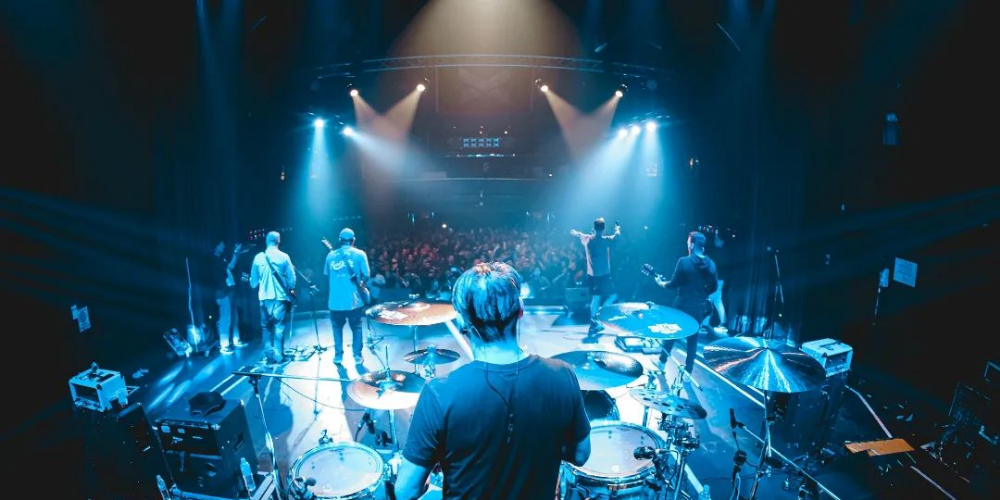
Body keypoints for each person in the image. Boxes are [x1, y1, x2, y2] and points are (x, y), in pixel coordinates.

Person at [394, 262, 592, 500]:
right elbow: (581, 454)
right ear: (520, 310)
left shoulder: (439, 393)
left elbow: (405, 492)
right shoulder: (562, 375)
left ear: (462, 321)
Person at [655, 231, 719, 376]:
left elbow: (673, 284)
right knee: (692, 341)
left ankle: (661, 363)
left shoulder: (684, 261)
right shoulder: (712, 265)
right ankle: (688, 372)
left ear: (692, 244)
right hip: (698, 307)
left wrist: (661, 283)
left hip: (682, 305)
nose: (687, 245)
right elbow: (714, 287)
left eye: (688, 242)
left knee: (672, 334)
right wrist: (703, 293)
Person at [324, 227, 370, 364]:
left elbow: (326, 275)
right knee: (356, 327)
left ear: (340, 240)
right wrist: (361, 284)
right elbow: (366, 275)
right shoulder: (360, 254)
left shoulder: (330, 256)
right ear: (353, 240)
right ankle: (357, 356)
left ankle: (338, 356)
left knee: (337, 328)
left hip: (335, 301)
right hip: (353, 300)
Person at [249, 231, 296, 364]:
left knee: (266, 328)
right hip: (280, 298)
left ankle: (269, 358)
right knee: (279, 327)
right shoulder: (284, 257)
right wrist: (289, 287)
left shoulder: (258, 258)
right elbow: (292, 281)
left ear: (266, 241)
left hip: (264, 299)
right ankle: (279, 356)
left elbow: (253, 283)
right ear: (278, 241)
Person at [570, 217, 621, 335]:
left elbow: (579, 234)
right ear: (603, 229)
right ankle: (599, 316)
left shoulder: (587, 239)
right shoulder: (605, 240)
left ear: (594, 228)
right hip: (604, 275)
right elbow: (617, 236)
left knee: (596, 298)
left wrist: (574, 232)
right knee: (613, 296)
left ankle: (594, 321)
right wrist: (617, 228)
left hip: (592, 276)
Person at [212, 240, 248, 354]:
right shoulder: (213, 260)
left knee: (234, 317)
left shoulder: (221, 259)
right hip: (222, 293)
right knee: (225, 319)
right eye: (221, 244)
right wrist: (236, 253)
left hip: (230, 291)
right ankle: (224, 345)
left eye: (223, 244)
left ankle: (235, 340)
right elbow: (230, 266)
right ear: (215, 245)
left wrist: (237, 253)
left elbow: (230, 266)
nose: (223, 246)